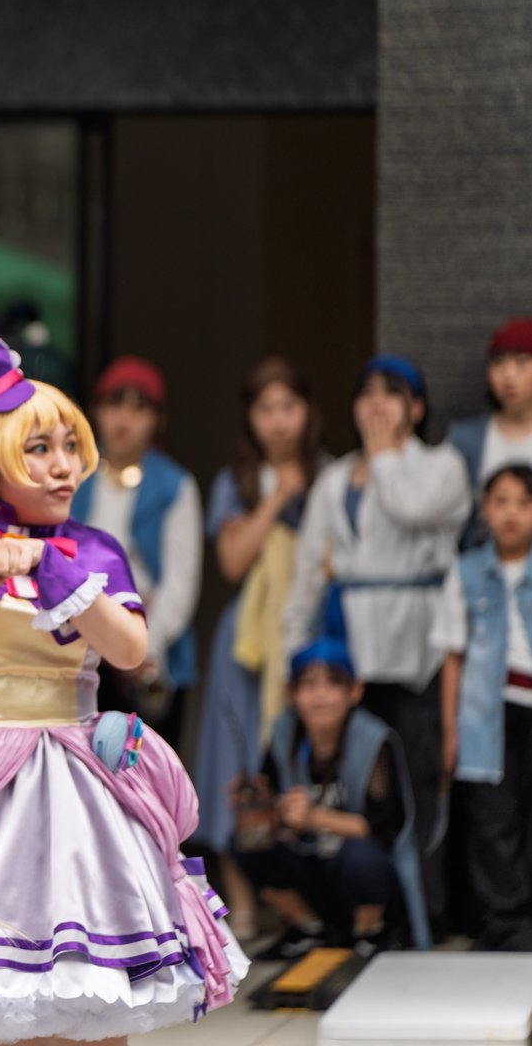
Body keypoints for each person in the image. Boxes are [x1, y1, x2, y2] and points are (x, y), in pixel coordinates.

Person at [0, 315, 245, 1045]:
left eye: (71, 446)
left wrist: (51, 567)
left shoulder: (90, 549)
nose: (64, 466)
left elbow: (131, 649)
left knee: (99, 995)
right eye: (37, 448)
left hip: (79, 776)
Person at [282, 355, 471, 921]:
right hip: (351, 656)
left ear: (417, 408)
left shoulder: (440, 466)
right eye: (367, 393)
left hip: (418, 653)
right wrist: (297, 650)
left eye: (394, 394)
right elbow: (311, 570)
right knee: (360, 785)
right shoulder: (335, 478)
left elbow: (412, 509)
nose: (378, 404)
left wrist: (386, 454)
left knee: (418, 782)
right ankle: (371, 912)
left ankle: (426, 913)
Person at [190, 357, 326, 938]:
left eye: (288, 407)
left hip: (308, 635)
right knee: (237, 762)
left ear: (307, 412)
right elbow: (231, 561)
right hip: (244, 644)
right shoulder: (235, 482)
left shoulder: (332, 475)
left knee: (298, 761)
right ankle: (241, 901)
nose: (278, 421)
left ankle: (303, 897)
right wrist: (275, 500)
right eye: (265, 408)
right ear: (250, 416)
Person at [235, 638, 429, 957]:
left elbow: (384, 828)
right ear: (291, 693)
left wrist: (314, 817)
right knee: (249, 841)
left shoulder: (373, 739)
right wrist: (257, 806)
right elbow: (271, 800)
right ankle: (309, 928)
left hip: (368, 869)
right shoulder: (284, 733)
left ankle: (369, 931)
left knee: (358, 856)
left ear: (355, 691)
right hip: (312, 860)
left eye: (332, 683)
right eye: (308, 684)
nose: (320, 695)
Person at [71, 355, 202, 741]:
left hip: (152, 646)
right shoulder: (73, 474)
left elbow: (182, 583)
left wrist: (145, 645)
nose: (124, 418)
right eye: (114, 403)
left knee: (144, 770)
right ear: (96, 411)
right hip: (80, 640)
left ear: (158, 419)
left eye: (139, 407)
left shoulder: (176, 484)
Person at [435, 463, 532, 951]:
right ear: (484, 509)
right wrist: (450, 729)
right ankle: (507, 926)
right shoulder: (467, 568)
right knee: (494, 821)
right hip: (484, 714)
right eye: (501, 501)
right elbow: (452, 655)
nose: (512, 512)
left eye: (524, 501)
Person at [448, 318, 532, 547]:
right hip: (482, 568)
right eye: (498, 363)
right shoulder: (464, 439)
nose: (508, 375)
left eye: (521, 363)